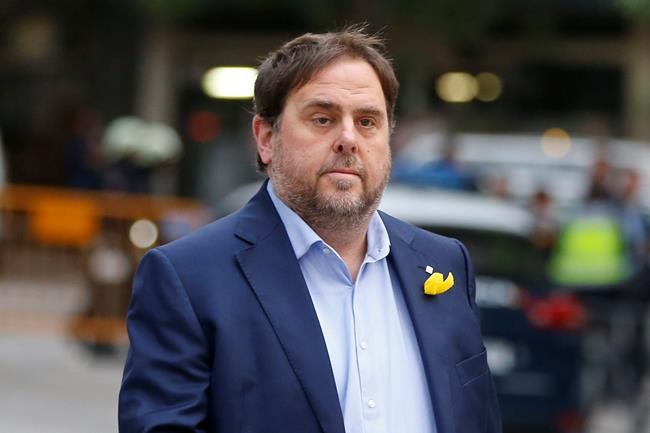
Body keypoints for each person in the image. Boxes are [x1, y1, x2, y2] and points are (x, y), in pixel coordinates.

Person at [119, 26, 501, 433]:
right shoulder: (188, 278)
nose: (348, 139)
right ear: (266, 139)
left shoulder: (444, 263)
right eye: (322, 119)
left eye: (367, 121)